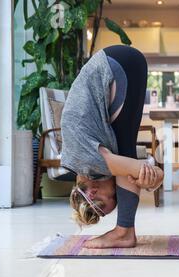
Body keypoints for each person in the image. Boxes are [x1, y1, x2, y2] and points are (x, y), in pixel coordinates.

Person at [60, 45, 163, 249]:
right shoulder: (80, 160)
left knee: (125, 152)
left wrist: (154, 179)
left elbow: (148, 172)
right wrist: (148, 179)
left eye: (114, 194)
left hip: (117, 65)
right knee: (125, 149)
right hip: (120, 62)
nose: (117, 187)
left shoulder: (88, 162)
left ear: (93, 192)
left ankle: (124, 232)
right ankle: (124, 231)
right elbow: (139, 169)